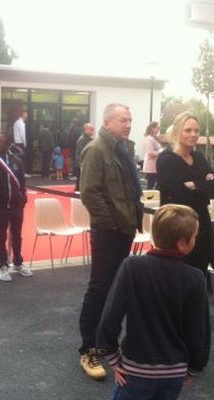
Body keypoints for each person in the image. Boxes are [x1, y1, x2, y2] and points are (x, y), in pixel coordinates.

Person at [97, 204, 210, 400]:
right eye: (194, 237)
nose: (195, 241)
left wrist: (113, 358)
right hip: (174, 372)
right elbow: (199, 329)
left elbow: (110, 317)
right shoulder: (195, 277)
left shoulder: (132, 267)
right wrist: (194, 368)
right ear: (183, 243)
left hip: (135, 369)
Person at [78, 103, 143, 380]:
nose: (128, 124)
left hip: (124, 228)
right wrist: (113, 223)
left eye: (130, 120)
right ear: (107, 122)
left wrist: (127, 221)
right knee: (100, 288)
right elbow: (89, 193)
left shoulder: (122, 148)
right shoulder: (96, 149)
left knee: (116, 289)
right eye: (122, 120)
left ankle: (107, 342)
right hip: (108, 230)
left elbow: (128, 189)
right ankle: (89, 348)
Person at [157, 111, 214, 277]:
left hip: (201, 226)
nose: (193, 134)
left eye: (196, 130)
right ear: (177, 131)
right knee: (177, 282)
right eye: (188, 130)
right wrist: (205, 183)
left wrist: (195, 185)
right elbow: (180, 196)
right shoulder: (166, 160)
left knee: (198, 279)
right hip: (176, 227)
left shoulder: (198, 157)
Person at [0, 132, 33, 282]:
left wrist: (23, 195)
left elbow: (21, 180)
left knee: (17, 235)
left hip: (16, 205)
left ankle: (18, 262)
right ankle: (2, 264)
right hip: (0, 205)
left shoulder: (16, 160)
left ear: (8, 143)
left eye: (0, 141)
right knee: (1, 236)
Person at [74, 123, 95, 191]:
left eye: (93, 129)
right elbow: (82, 153)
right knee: (80, 181)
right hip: (82, 164)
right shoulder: (82, 140)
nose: (93, 131)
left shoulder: (89, 139)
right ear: (86, 130)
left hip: (86, 163)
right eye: (91, 129)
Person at [142, 121, 163, 189]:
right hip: (151, 165)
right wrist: (161, 151)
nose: (158, 129)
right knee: (150, 185)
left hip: (154, 164)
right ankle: (148, 198)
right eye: (157, 128)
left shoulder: (154, 137)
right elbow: (150, 152)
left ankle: (152, 197)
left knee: (153, 183)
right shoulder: (149, 138)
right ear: (152, 128)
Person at [13, 111, 31, 177]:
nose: (27, 116)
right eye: (26, 115)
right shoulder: (22, 124)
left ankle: (17, 172)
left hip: (16, 142)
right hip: (20, 143)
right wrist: (25, 143)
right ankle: (23, 173)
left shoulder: (16, 123)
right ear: (23, 115)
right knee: (23, 158)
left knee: (17, 158)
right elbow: (22, 134)